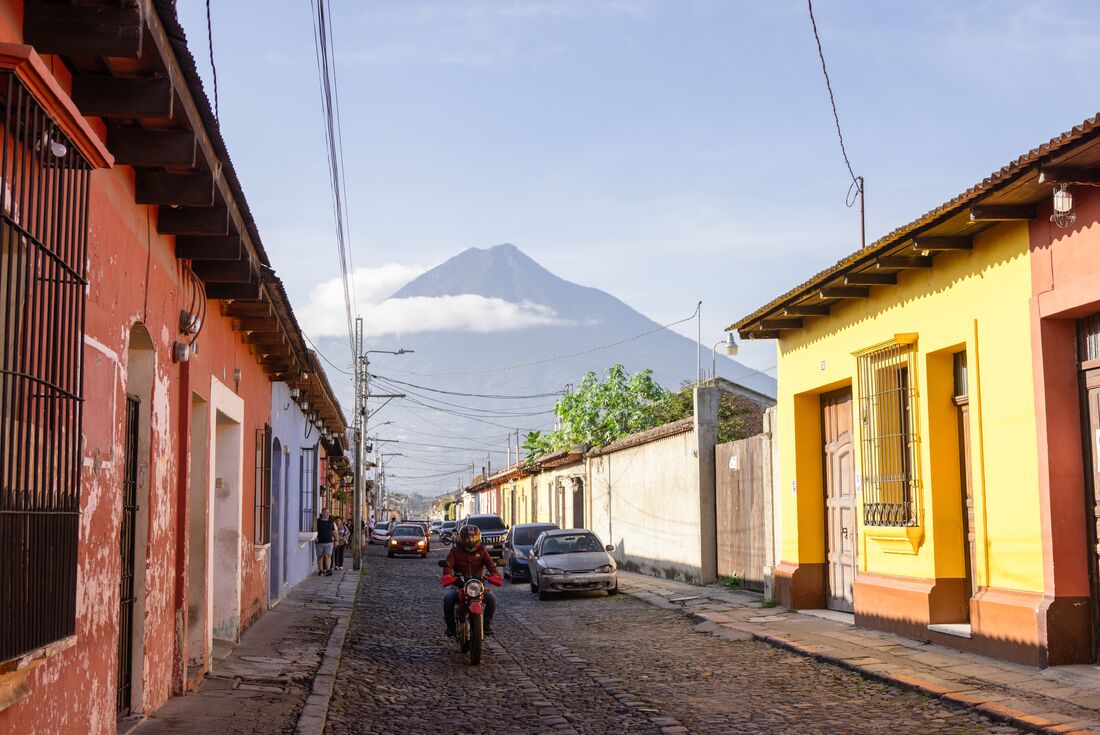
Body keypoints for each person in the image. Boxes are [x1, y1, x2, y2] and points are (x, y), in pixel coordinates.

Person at [441, 525, 500, 637]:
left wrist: (494, 574)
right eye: (468, 538)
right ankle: (450, 627)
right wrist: (448, 575)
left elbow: (491, 565)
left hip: (477, 585)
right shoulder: (455, 551)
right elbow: (448, 566)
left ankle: (486, 624)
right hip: (459, 584)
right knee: (448, 599)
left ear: (478, 538)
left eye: (473, 538)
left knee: (492, 599)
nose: (471, 540)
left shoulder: (482, 550)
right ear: (462, 538)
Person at [316, 508, 336, 576]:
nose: (327, 514)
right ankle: (320, 570)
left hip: (329, 542)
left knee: (328, 556)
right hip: (320, 542)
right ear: (322, 513)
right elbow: (314, 530)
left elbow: (334, 531)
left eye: (328, 513)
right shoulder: (318, 521)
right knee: (320, 556)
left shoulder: (331, 522)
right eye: (325, 512)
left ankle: (328, 570)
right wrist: (315, 537)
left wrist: (336, 540)